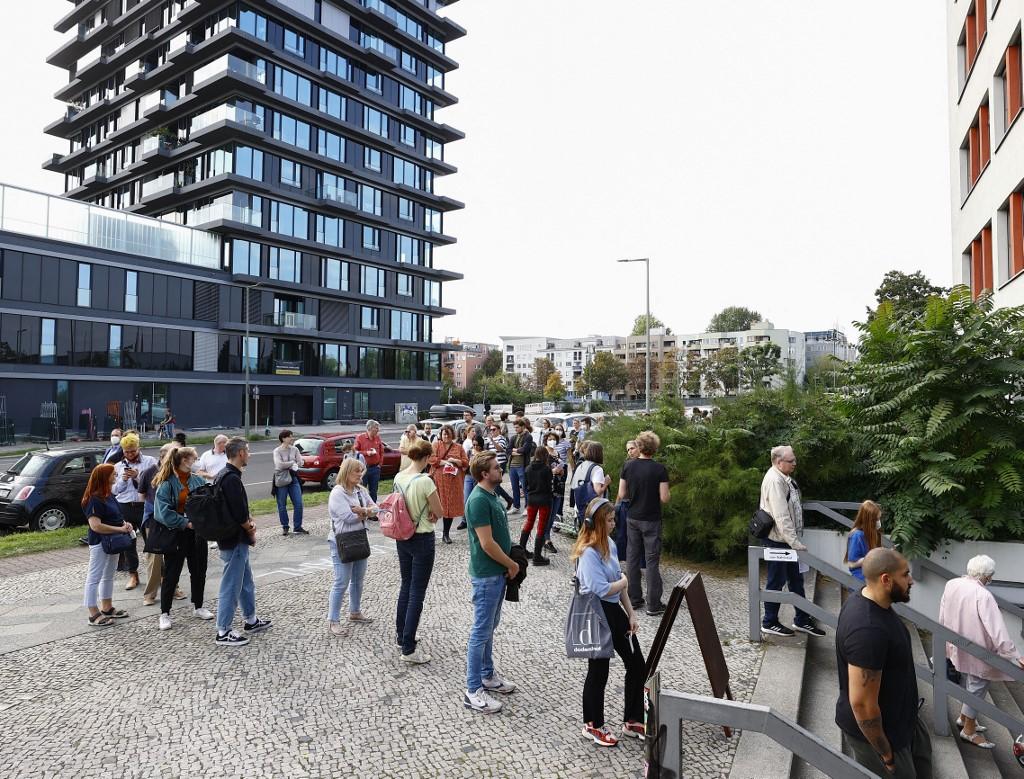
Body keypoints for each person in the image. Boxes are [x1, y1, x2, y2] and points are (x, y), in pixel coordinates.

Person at [836, 548, 932, 777]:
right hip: (883, 736)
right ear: (886, 579)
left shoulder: (874, 603)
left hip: (904, 722)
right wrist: (885, 754)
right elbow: (862, 704)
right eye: (906, 575)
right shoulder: (868, 630)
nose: (911, 581)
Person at [573, 497, 646, 747]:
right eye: (610, 520)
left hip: (614, 611)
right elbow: (602, 588)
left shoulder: (610, 545)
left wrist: (632, 614)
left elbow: (618, 582)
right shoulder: (588, 552)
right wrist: (624, 582)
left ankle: (633, 718)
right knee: (598, 670)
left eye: (614, 519)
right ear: (597, 523)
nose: (615, 523)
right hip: (596, 613)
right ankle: (593, 725)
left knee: (637, 663)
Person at [939, 554, 1024, 749]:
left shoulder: (952, 584)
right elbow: (997, 630)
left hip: (957, 643)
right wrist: (1015, 655)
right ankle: (968, 730)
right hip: (978, 650)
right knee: (977, 685)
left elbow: (943, 613)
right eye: (990, 575)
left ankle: (963, 717)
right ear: (986, 576)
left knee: (972, 681)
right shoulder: (983, 595)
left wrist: (945, 642)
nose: (990, 579)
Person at [463, 451, 520, 713]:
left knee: (489, 627)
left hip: (497, 574)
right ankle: (473, 689)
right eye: (497, 468)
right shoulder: (477, 500)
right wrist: (510, 563)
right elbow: (486, 543)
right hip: (487, 575)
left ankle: (487, 675)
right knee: (480, 631)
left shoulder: (493, 495)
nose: (501, 470)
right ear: (485, 474)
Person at [760, 445, 825, 638]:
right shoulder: (774, 480)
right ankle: (769, 621)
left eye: (794, 460)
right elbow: (781, 516)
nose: (795, 463)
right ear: (779, 462)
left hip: (786, 540)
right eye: (791, 461)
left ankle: (802, 619)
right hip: (778, 541)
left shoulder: (784, 477)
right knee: (776, 580)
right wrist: (795, 542)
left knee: (796, 580)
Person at [215, 437, 272, 646]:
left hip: (231, 537)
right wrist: (251, 530)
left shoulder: (225, 474)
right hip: (234, 538)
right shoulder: (231, 478)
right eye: (247, 451)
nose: (249, 454)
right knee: (231, 584)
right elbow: (239, 515)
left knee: (245, 581)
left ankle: (250, 619)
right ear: (240, 453)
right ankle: (223, 630)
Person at [393, 438, 444, 664]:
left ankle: (401, 634)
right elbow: (439, 510)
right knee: (417, 592)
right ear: (425, 458)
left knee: (406, 584)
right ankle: (409, 648)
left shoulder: (399, 476)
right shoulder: (425, 480)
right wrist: (433, 514)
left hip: (402, 535)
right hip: (422, 536)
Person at [153, 447, 213, 631]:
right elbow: (161, 513)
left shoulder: (197, 480)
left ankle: (199, 606)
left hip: (197, 533)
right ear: (184, 460)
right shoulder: (166, 483)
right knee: (172, 573)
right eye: (194, 458)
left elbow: (207, 502)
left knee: (199, 570)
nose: (196, 462)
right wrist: (185, 522)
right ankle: (164, 613)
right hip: (177, 533)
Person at [620, 431, 671, 617]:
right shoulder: (659, 469)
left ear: (638, 447)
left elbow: (622, 494)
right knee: (651, 561)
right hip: (652, 519)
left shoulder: (628, 466)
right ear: (654, 448)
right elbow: (664, 498)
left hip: (632, 517)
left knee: (632, 558)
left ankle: (634, 599)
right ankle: (654, 604)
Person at [327, 457, 378, 635]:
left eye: (361, 471)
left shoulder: (360, 491)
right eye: (356, 471)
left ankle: (355, 612)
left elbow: (376, 509)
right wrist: (365, 512)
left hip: (359, 538)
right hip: (341, 541)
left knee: (358, 579)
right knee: (341, 581)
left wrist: (361, 511)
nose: (360, 474)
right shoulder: (337, 493)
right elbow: (348, 518)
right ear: (347, 472)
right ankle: (333, 620)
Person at [81, 463, 134, 627]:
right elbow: (95, 526)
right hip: (100, 542)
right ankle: (93, 613)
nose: (116, 475)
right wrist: (119, 528)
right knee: (94, 577)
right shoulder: (94, 499)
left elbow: (115, 516)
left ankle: (107, 606)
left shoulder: (107, 494)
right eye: (113, 473)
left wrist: (126, 524)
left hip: (113, 540)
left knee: (108, 575)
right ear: (104, 477)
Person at [139, 441, 184, 606]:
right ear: (163, 456)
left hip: (174, 518)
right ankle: (150, 594)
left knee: (174, 555)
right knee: (155, 557)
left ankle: (173, 588)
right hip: (154, 520)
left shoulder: (179, 472)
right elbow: (142, 497)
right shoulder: (149, 472)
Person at [112, 433, 157, 591]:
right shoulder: (117, 466)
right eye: (126, 451)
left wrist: (138, 478)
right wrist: (123, 480)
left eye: (132, 451)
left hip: (144, 506)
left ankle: (157, 574)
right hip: (125, 506)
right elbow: (115, 490)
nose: (130, 454)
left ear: (138, 448)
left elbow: (155, 485)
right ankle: (133, 574)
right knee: (128, 543)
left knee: (151, 541)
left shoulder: (150, 462)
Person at [429, 425, 470, 544]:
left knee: (450, 507)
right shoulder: (436, 445)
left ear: (452, 434)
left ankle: (445, 534)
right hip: (438, 482)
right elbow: (431, 459)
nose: (446, 436)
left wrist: (456, 461)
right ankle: (429, 533)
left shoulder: (458, 447)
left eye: (448, 433)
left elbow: (466, 463)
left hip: (454, 483)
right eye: (444, 434)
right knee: (434, 506)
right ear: (440, 435)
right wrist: (444, 462)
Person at [520, 447, 554, 565]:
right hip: (544, 500)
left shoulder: (528, 468)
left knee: (529, 523)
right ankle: (537, 556)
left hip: (532, 499)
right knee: (541, 526)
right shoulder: (546, 469)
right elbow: (550, 485)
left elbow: (525, 485)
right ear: (545, 455)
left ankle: (522, 551)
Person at [273, 429, 306, 535]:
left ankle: (297, 527)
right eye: (290, 436)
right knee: (282, 505)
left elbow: (300, 462)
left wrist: (297, 462)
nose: (292, 438)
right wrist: (292, 463)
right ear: (283, 438)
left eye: (292, 436)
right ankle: (285, 526)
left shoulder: (295, 449)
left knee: (299, 503)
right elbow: (279, 465)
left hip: (293, 478)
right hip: (281, 479)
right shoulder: (277, 451)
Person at [845, 500, 883, 583]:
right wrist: (873, 557)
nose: (879, 522)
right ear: (870, 520)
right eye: (877, 519)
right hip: (861, 580)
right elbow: (851, 564)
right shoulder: (857, 535)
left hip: (871, 575)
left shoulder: (872, 533)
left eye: (879, 518)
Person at [507, 419, 534, 514]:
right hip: (512, 466)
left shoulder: (528, 436)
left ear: (523, 426)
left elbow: (525, 450)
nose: (515, 429)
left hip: (522, 465)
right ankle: (516, 506)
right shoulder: (513, 437)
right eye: (514, 427)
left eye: (517, 427)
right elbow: (508, 450)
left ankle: (527, 507)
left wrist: (515, 451)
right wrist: (517, 451)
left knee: (525, 487)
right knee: (515, 487)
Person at [354, 420, 385, 502]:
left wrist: (380, 465)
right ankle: (363, 510)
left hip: (375, 468)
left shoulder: (377, 437)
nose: (378, 430)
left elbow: (382, 451)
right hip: (363, 469)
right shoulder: (360, 438)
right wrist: (366, 453)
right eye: (376, 428)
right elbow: (355, 452)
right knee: (362, 490)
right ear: (370, 428)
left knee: (374, 491)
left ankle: (373, 511)